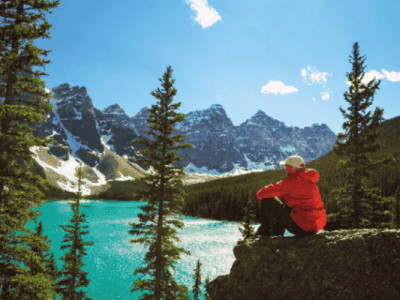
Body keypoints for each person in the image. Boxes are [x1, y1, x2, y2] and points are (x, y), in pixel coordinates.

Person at [255, 155, 327, 238]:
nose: (285, 169)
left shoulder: (292, 181)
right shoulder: (307, 179)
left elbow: (262, 193)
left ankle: (264, 233)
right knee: (286, 205)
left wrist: (261, 199)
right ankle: (276, 233)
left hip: (303, 227)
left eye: (287, 167)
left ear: (293, 167)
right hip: (316, 226)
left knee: (267, 200)